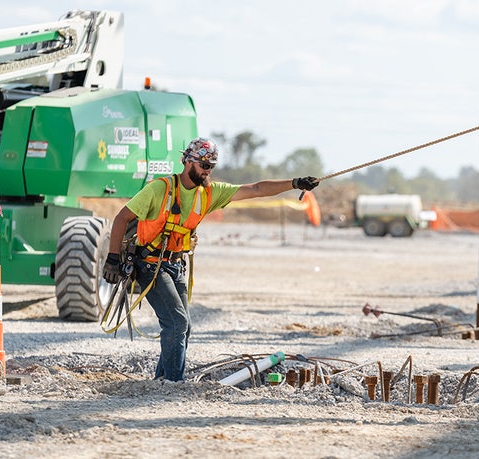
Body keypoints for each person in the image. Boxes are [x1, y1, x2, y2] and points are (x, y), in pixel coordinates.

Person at [101, 137, 320, 382]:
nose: (207, 170)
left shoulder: (209, 193)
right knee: (176, 323)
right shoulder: (159, 189)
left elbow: (256, 189)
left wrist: (294, 182)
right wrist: (112, 258)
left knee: (183, 328)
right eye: (203, 165)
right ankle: (173, 384)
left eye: (211, 166)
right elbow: (121, 217)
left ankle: (162, 381)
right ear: (187, 161)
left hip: (175, 265)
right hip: (150, 264)